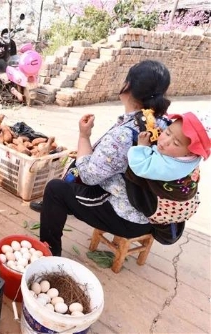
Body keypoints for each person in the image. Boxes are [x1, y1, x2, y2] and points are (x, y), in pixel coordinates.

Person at [36, 59, 178, 256]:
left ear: (127, 86)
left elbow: (87, 176)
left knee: (55, 189)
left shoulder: (125, 134)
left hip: (128, 218)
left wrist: (84, 136)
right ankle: (59, 208)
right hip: (152, 213)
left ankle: (49, 254)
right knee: (74, 171)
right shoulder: (166, 124)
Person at [128, 111, 210, 182]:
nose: (165, 142)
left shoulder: (171, 168)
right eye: (167, 133)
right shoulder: (184, 152)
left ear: (190, 153)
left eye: (175, 143)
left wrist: (142, 146)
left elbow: (140, 167)